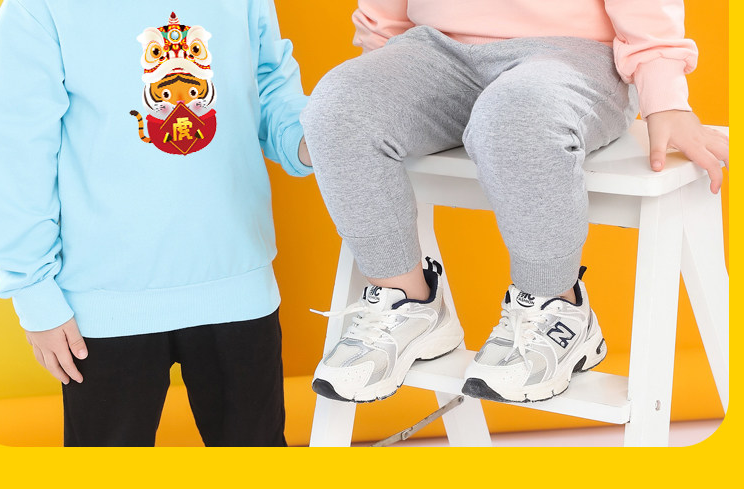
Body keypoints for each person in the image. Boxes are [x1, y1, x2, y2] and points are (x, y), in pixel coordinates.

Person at [300, 0, 728, 404]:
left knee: (518, 115)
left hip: (575, 55)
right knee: (340, 109)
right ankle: (406, 299)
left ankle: (557, 305)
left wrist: (665, 96)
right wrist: (381, 65)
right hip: (434, 47)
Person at [0, 0, 312, 446]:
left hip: (238, 283)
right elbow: (13, 148)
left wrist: (314, 141)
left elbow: (270, 88)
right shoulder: (38, 8)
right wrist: (32, 289)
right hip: (103, 302)